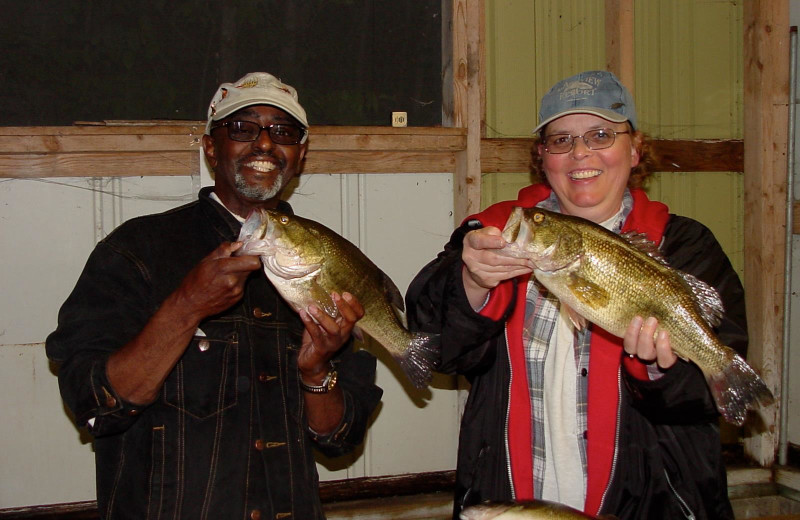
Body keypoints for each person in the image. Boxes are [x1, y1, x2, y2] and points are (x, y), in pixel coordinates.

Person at [405, 70, 747, 519]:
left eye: (601, 135)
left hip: (653, 502)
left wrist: (659, 370)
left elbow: (701, 401)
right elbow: (435, 350)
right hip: (516, 497)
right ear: (542, 157)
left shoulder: (685, 246)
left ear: (635, 148)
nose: (580, 153)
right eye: (561, 140)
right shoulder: (494, 234)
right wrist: (472, 283)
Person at [46, 72, 383, 520]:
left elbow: (340, 437)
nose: (264, 144)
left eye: (282, 132)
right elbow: (93, 402)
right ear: (210, 147)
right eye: (242, 128)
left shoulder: (328, 262)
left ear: (299, 156)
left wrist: (316, 369)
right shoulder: (137, 250)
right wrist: (186, 307)